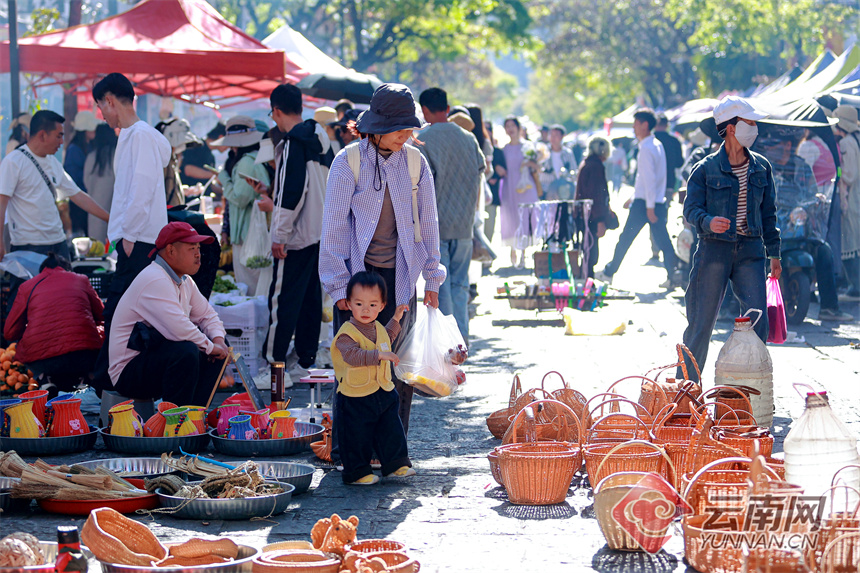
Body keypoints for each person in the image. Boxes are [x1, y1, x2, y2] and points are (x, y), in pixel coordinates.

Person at [320, 82, 446, 438]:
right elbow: (333, 229)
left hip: (401, 279)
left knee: (398, 368)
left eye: (410, 127)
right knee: (354, 367)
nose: (408, 134)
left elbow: (429, 223)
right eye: (401, 127)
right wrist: (338, 285)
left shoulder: (415, 162)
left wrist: (432, 279)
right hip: (357, 282)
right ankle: (351, 447)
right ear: (376, 128)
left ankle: (392, 448)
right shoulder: (348, 162)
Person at [679, 96, 781, 381]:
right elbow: (690, 208)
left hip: (751, 252)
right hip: (713, 251)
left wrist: (775, 253)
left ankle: (753, 390)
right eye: (750, 122)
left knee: (756, 322)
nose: (755, 128)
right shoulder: (705, 168)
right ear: (733, 127)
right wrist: (709, 221)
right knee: (701, 324)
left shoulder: (761, 167)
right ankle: (685, 392)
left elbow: (769, 213)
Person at [108, 222, 229, 405]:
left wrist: (218, 341)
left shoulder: (185, 281)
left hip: (153, 357)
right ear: (171, 251)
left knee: (214, 345)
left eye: (198, 248)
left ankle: (194, 414)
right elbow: (180, 329)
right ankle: (176, 423)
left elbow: (208, 316)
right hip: (127, 372)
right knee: (186, 351)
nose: (198, 254)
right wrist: (212, 348)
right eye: (191, 248)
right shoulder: (155, 278)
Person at [92, 73, 172, 322]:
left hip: (138, 241)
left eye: (100, 107)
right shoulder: (132, 134)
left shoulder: (140, 135)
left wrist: (128, 236)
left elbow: (141, 189)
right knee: (131, 320)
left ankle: (110, 363)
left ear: (109, 100)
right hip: (135, 239)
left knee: (118, 318)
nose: (102, 114)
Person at [263, 84, 330, 378]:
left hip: (296, 236)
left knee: (282, 301)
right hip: (320, 234)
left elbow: (291, 193)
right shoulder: (323, 142)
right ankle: (305, 362)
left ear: (277, 110)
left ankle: (273, 367)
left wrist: (279, 234)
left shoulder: (292, 144)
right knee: (309, 300)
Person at [332, 271, 415, 485]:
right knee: (356, 435)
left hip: (383, 391)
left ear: (382, 305)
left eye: (372, 304)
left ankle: (395, 464)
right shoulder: (346, 333)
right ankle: (357, 472)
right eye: (359, 304)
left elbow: (388, 337)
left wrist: (396, 318)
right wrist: (379, 355)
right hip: (355, 395)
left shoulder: (378, 327)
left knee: (390, 429)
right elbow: (352, 355)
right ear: (349, 304)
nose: (365, 310)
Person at [760, 131, 852, 321]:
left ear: (787, 145)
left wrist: (815, 200)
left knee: (824, 251)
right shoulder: (764, 167)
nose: (771, 148)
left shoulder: (801, 166)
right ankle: (746, 306)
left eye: (776, 144)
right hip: (771, 226)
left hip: (798, 225)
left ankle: (829, 307)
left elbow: (812, 192)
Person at [416, 87, 484, 340]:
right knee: (460, 285)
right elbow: (480, 170)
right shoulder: (469, 138)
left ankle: (448, 344)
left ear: (424, 110)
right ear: (447, 108)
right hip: (464, 224)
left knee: (439, 285)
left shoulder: (423, 140)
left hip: (437, 225)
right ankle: (462, 341)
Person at [0, 110, 109, 262]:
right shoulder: (13, 162)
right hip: (28, 246)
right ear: (43, 135)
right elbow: (2, 203)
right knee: (30, 287)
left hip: (58, 243)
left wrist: (109, 218)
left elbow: (78, 195)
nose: (61, 141)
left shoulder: (53, 162)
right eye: (59, 136)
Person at [596, 109, 680, 289]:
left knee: (627, 239)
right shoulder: (653, 145)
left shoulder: (648, 148)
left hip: (647, 204)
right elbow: (648, 179)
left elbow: (650, 180)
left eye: (636, 124)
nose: (634, 128)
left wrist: (648, 206)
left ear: (645, 125)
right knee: (663, 241)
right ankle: (673, 276)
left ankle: (609, 272)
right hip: (651, 201)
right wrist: (634, 196)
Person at [3, 252, 103, 398]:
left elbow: (10, 332)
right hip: (83, 356)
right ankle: (84, 378)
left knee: (20, 345)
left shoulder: (27, 286)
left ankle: (45, 379)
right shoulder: (81, 280)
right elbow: (102, 315)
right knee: (98, 336)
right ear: (67, 268)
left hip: (42, 360)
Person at [216, 116, 270, 295]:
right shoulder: (254, 159)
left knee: (249, 290)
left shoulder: (246, 162)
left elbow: (239, 199)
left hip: (247, 235)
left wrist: (224, 179)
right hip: (249, 233)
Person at [500, 116, 540, 268]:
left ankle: (523, 253)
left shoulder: (528, 147)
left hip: (526, 187)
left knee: (525, 218)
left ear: (518, 128)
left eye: (512, 126)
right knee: (511, 217)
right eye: (507, 126)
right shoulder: (503, 150)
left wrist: (531, 163)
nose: (510, 129)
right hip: (510, 187)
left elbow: (538, 168)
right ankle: (512, 251)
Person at [575, 135, 613, 278]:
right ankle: (587, 285)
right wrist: (600, 220)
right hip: (591, 216)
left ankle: (586, 281)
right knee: (591, 253)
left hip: (584, 214)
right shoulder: (596, 166)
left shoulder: (587, 163)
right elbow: (596, 196)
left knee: (588, 251)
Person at [650, 114, 685, 261]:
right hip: (669, 183)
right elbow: (679, 162)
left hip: (653, 183)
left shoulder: (650, 140)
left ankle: (655, 249)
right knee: (663, 215)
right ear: (667, 125)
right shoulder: (674, 141)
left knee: (652, 214)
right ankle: (665, 249)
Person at [834, 105, 860, 300]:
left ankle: (855, 286)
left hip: (852, 197)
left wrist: (838, 171)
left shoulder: (846, 143)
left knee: (850, 241)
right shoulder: (856, 140)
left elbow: (848, 175)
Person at [64, 111, 99, 236]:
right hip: (79, 202)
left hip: (85, 199)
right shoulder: (75, 149)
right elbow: (73, 178)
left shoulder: (85, 146)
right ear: (85, 130)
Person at [83, 124, 118, 244]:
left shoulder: (92, 157)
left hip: (94, 211)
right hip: (114, 211)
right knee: (113, 248)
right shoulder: (117, 156)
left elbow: (86, 182)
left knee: (97, 249)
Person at [483, 121, 506, 242]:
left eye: (488, 129)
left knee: (489, 229)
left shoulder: (498, 152)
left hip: (492, 196)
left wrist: (496, 174)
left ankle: (487, 259)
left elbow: (504, 172)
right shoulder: (478, 148)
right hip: (477, 196)